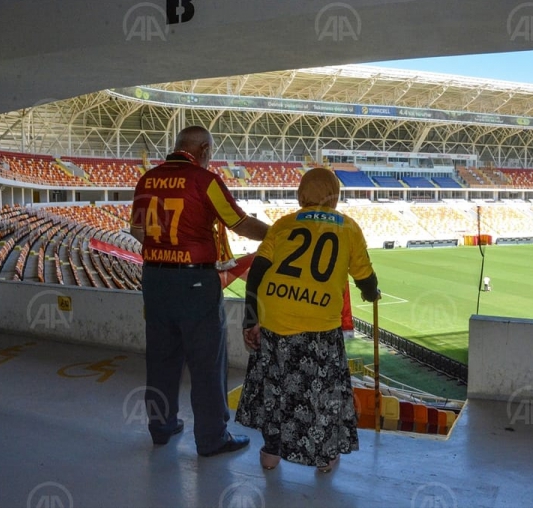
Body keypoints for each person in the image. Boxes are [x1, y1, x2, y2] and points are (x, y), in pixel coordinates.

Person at [129, 125, 269, 455]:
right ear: (204, 150)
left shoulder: (146, 180)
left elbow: (137, 230)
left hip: (154, 279)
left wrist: (165, 251)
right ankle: (212, 437)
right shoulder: (204, 181)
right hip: (195, 283)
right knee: (207, 361)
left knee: (161, 357)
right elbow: (241, 223)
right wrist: (280, 233)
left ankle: (161, 428)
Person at [235, 167, 380, 473]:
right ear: (336, 198)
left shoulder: (283, 224)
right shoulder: (349, 228)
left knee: (274, 388)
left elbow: (256, 275)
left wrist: (251, 320)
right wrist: (371, 293)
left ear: (300, 196)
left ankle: (271, 453)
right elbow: (365, 277)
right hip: (319, 328)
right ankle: (325, 457)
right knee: (321, 396)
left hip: (274, 319)